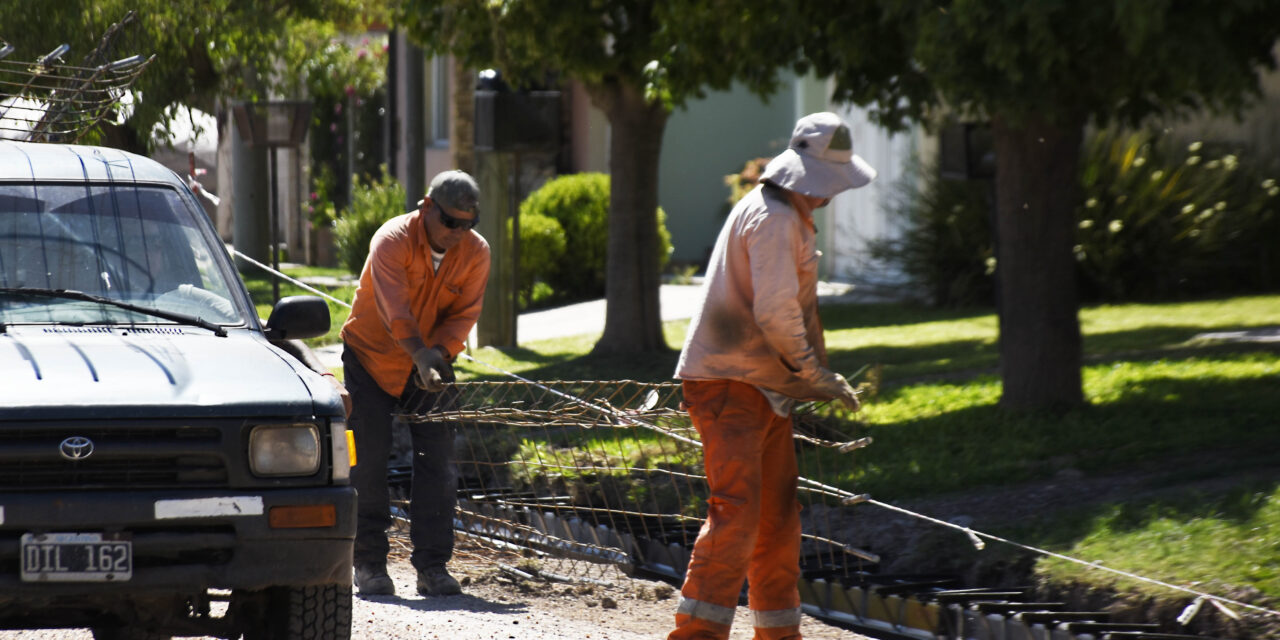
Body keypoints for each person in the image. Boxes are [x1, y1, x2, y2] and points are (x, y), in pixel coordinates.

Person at [669, 112, 874, 640]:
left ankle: (779, 634)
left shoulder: (782, 212)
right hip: (732, 385)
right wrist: (816, 375)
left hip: (760, 388)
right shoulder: (777, 219)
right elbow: (777, 314)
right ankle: (696, 636)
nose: (832, 195)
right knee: (737, 514)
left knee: (777, 523)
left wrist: (805, 378)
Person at [339, 170, 490, 597]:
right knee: (367, 459)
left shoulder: (476, 254)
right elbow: (395, 310)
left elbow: (464, 315)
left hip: (431, 359)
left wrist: (438, 355)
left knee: (439, 459)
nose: (459, 233)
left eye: (468, 224)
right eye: (450, 222)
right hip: (371, 355)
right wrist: (419, 353)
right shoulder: (393, 240)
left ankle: (433, 567)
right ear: (427, 207)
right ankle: (368, 563)